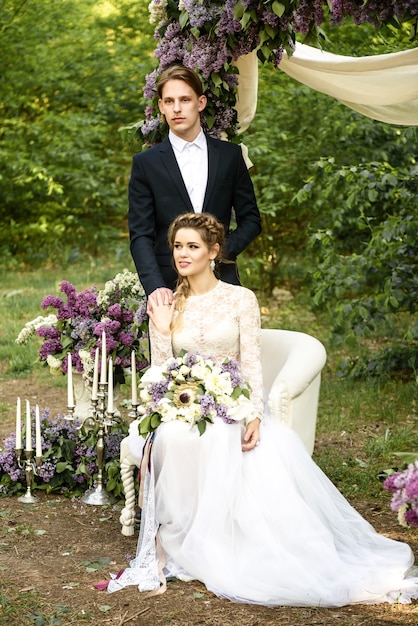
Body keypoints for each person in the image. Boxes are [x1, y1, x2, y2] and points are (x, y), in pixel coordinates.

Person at [109, 213, 418, 606]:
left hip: (230, 405)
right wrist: (166, 330)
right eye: (177, 246)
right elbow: (160, 371)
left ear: (214, 251)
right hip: (183, 405)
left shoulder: (241, 299)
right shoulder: (167, 302)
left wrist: (253, 413)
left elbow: (252, 364)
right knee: (171, 435)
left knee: (220, 437)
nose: (183, 254)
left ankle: (223, 539)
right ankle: (178, 537)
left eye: (193, 246)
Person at [128, 64, 261, 305]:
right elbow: (140, 234)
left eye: (184, 99)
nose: (176, 108)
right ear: (161, 107)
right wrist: (155, 287)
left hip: (222, 281)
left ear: (200, 103)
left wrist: (217, 253)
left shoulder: (230, 156)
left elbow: (251, 220)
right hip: (167, 288)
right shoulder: (145, 164)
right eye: (169, 101)